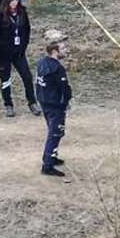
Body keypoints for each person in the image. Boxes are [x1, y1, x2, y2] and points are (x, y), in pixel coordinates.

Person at [0, 0, 41, 117]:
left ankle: (32, 103)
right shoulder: (0, 15)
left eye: (16, 0)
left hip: (19, 52)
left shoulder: (22, 12)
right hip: (3, 53)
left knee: (27, 77)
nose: (14, 2)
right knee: (5, 79)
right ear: (7, 1)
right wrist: (4, 45)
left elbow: (27, 30)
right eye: (12, 0)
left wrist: (23, 45)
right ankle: (8, 105)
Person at [36, 30, 72, 178]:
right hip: (56, 106)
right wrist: (66, 102)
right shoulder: (58, 69)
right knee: (55, 133)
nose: (66, 50)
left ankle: (52, 157)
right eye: (63, 48)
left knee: (54, 132)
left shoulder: (41, 63)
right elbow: (64, 89)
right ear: (55, 51)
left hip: (45, 103)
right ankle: (47, 165)